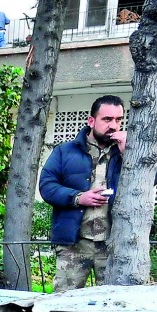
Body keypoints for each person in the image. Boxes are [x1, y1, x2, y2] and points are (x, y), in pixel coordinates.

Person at [39, 95, 127, 291]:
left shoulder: (127, 151)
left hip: (113, 245)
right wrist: (78, 197)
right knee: (64, 303)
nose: (114, 125)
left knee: (116, 304)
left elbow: (151, 179)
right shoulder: (65, 151)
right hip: (75, 243)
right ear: (91, 120)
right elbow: (47, 186)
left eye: (118, 120)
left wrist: (128, 152)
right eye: (107, 119)